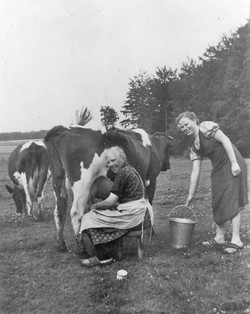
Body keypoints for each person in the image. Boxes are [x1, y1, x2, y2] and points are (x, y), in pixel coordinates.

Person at [176, 111, 248, 254]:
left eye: (186, 124)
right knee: (218, 200)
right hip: (218, 168)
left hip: (231, 162)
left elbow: (226, 140)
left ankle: (236, 240)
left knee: (230, 199)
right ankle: (219, 237)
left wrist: (234, 163)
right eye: (181, 127)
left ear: (194, 120)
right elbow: (195, 171)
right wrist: (190, 194)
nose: (184, 128)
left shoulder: (206, 128)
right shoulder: (194, 146)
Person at [79, 146, 154, 267]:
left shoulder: (123, 173)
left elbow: (110, 202)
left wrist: (95, 205)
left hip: (134, 216)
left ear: (122, 158)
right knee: (101, 215)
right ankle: (111, 251)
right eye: (108, 162)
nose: (110, 165)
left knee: (89, 218)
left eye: (113, 160)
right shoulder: (130, 169)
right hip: (139, 213)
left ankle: (104, 257)